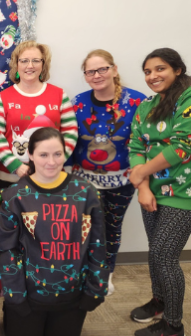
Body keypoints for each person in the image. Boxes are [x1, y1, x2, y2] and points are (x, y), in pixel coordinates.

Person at [0, 127, 108, 336]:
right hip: (27, 300)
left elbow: (97, 244)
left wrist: (96, 288)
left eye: (58, 154)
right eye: (43, 154)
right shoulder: (15, 196)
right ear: (30, 155)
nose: (51, 161)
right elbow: (7, 250)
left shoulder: (86, 193)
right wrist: (15, 296)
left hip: (73, 298)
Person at [66, 49, 146, 295]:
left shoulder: (137, 101)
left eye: (102, 69)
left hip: (121, 181)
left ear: (114, 69)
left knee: (111, 227)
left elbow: (145, 141)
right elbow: (68, 139)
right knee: (84, 227)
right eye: (91, 71)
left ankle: (106, 274)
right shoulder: (77, 102)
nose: (97, 75)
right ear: (86, 76)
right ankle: (83, 271)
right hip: (83, 181)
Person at [128, 48, 191, 336]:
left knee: (165, 257)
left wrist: (141, 172)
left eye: (160, 69)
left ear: (177, 70)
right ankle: (159, 302)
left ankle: (173, 326)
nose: (153, 76)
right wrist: (142, 187)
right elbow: (136, 147)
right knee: (156, 254)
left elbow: (183, 145)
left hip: (183, 194)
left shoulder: (188, 98)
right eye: (148, 71)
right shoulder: (146, 106)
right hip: (151, 194)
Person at [0, 40, 78, 194]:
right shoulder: (2, 98)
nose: (30, 66)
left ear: (43, 64)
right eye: (24, 61)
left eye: (35, 60)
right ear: (16, 65)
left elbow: (70, 132)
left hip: (51, 176)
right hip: (11, 177)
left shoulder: (59, 95)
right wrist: (16, 166)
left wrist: (54, 162)